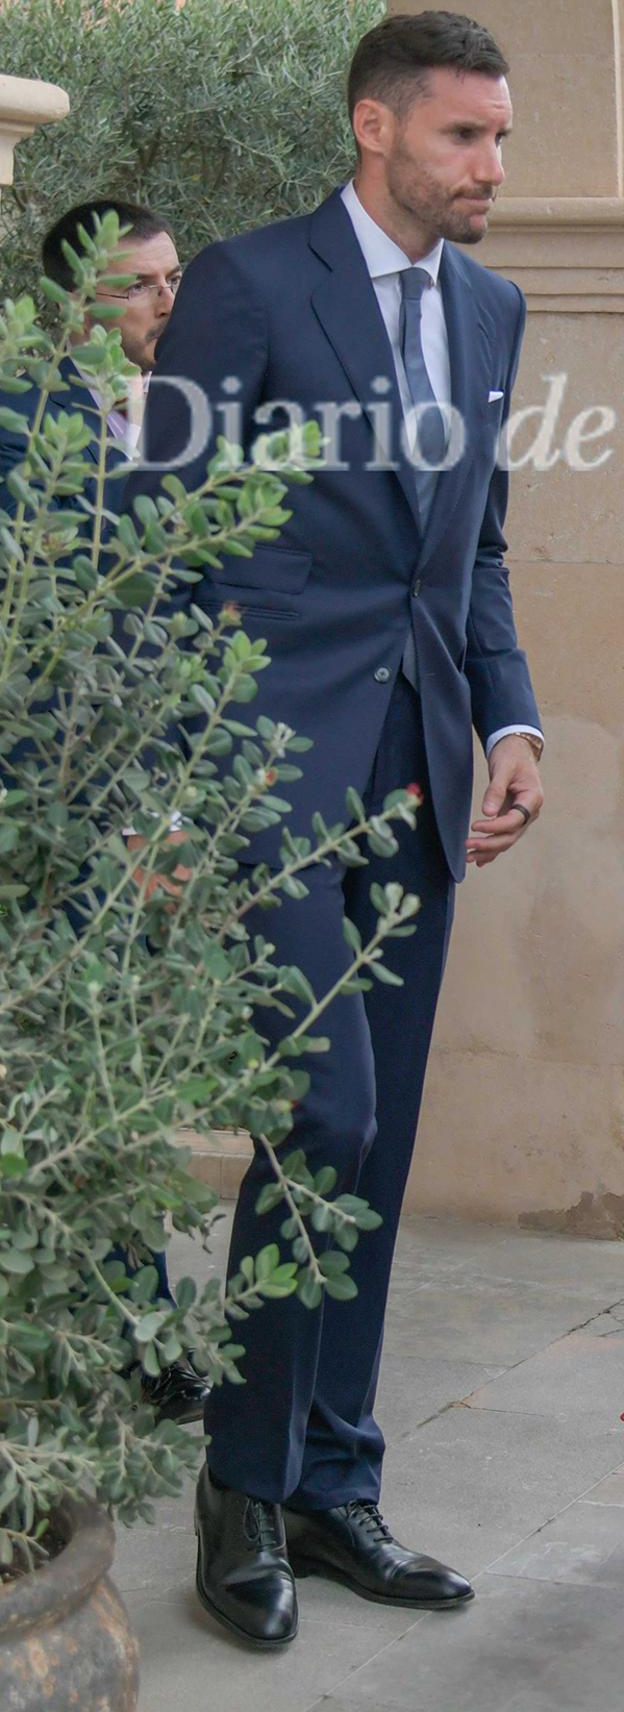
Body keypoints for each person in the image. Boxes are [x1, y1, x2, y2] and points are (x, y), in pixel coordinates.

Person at [126, 12, 544, 1648]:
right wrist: (172, 778)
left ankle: (334, 1479)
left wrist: (507, 718)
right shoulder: (243, 281)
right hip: (267, 764)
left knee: (379, 1139)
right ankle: (244, 1482)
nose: (491, 169)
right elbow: (160, 539)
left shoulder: (494, 307)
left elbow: (476, 553)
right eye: (464, 140)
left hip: (422, 768)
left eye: (502, 141)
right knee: (328, 1113)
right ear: (376, 130)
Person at [0, 199, 209, 1427]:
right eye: (140, 286)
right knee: (75, 1074)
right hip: (55, 804)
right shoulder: (21, 425)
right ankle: (125, 1338)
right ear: (78, 301)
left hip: (166, 792)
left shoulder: (194, 420)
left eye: (175, 278)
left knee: (127, 1076)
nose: (166, 306)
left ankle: (128, 1328)